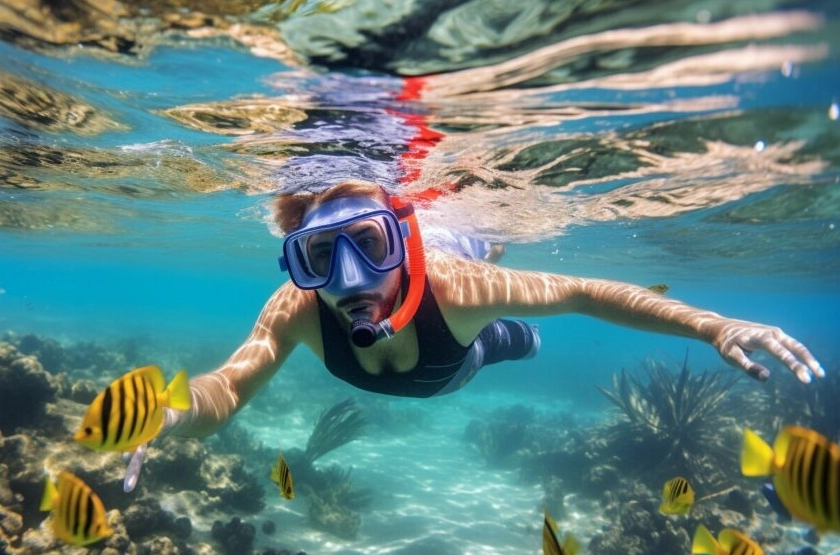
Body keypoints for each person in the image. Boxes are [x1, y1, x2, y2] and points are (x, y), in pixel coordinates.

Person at [123, 179, 824, 490]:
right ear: (297, 265)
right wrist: (172, 411)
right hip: (434, 366)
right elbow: (230, 384)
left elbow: (581, 292)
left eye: (368, 244)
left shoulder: (455, 290)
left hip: (460, 355)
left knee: (510, 336)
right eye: (317, 257)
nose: (347, 278)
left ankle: (481, 255)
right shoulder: (295, 307)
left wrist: (710, 323)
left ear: (399, 241)